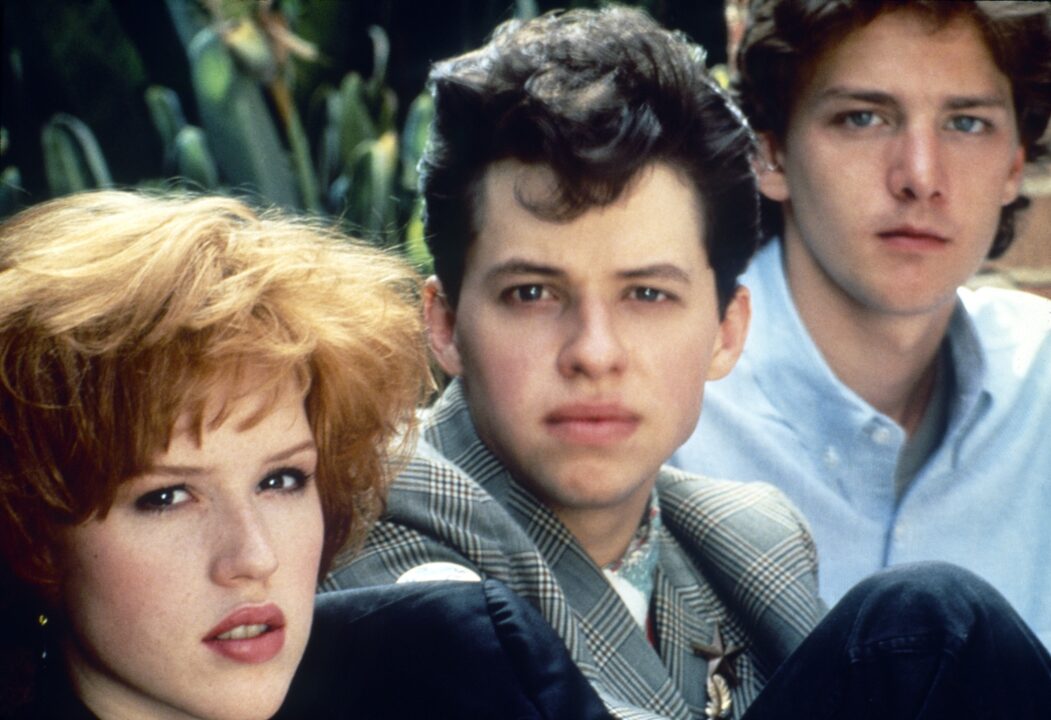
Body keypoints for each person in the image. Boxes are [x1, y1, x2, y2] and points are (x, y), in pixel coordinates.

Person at [324, 6, 1051, 719]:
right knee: (930, 629)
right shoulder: (362, 515)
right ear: (445, 324)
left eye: (646, 294)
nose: (593, 352)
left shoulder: (746, 540)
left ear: (725, 331)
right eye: (532, 292)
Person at [0, 190, 612, 720]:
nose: (253, 557)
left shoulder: (468, 662)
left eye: (282, 480)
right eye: (165, 497)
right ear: (34, 537)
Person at [670, 0, 1051, 648]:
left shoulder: (1039, 381)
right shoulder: (660, 397)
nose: (919, 178)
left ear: (1014, 165)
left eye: (964, 122)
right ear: (771, 156)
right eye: (863, 118)